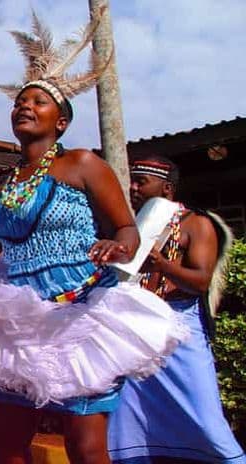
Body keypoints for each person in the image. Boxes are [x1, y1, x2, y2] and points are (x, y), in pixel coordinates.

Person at [0, 13, 187, 464]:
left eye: (37, 102)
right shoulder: (1, 189)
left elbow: (126, 227)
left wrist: (118, 246)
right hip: (20, 319)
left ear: (62, 121)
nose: (24, 107)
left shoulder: (82, 163)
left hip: (78, 313)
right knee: (8, 440)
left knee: (85, 446)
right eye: (19, 102)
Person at [107, 157, 246, 463]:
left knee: (204, 415)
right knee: (131, 415)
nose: (133, 187)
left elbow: (200, 281)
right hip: (139, 329)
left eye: (141, 181)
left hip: (182, 328)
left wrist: (163, 265)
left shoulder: (197, 224)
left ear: (167, 188)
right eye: (133, 180)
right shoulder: (136, 227)